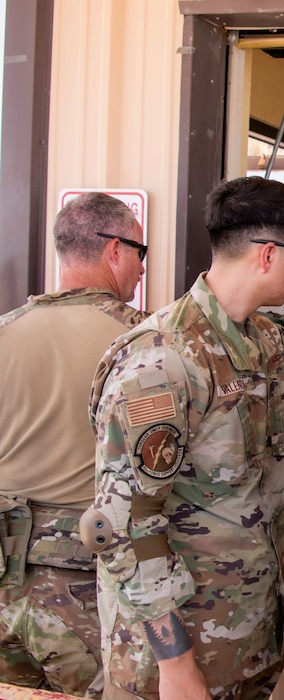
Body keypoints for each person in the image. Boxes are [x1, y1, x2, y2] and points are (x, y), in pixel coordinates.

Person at [83, 176, 284, 699]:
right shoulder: (161, 359)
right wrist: (176, 664)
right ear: (267, 254)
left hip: (248, 644)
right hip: (173, 663)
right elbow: (124, 523)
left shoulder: (267, 344)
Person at [0, 192, 148, 696]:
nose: (142, 270)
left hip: (5, 579)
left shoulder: (5, 332)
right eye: (139, 253)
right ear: (114, 249)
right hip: (84, 586)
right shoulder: (142, 343)